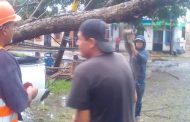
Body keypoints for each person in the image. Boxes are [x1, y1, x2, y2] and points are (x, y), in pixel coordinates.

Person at [67, 19, 136, 122]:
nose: (77, 43)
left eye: (79, 39)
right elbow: (134, 98)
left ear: (91, 42)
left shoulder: (84, 71)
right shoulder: (122, 59)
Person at [0, 1, 38, 121]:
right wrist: (30, 91)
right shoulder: (4, 59)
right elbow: (19, 103)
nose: (14, 28)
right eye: (13, 25)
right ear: (5, 29)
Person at [129, 35, 149, 122]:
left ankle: (137, 116)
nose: (138, 44)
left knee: (139, 100)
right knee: (131, 98)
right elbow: (130, 64)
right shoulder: (132, 53)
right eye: (137, 42)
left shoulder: (145, 52)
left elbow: (143, 59)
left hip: (141, 81)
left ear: (143, 44)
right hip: (132, 79)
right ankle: (130, 115)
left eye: (140, 42)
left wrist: (135, 52)